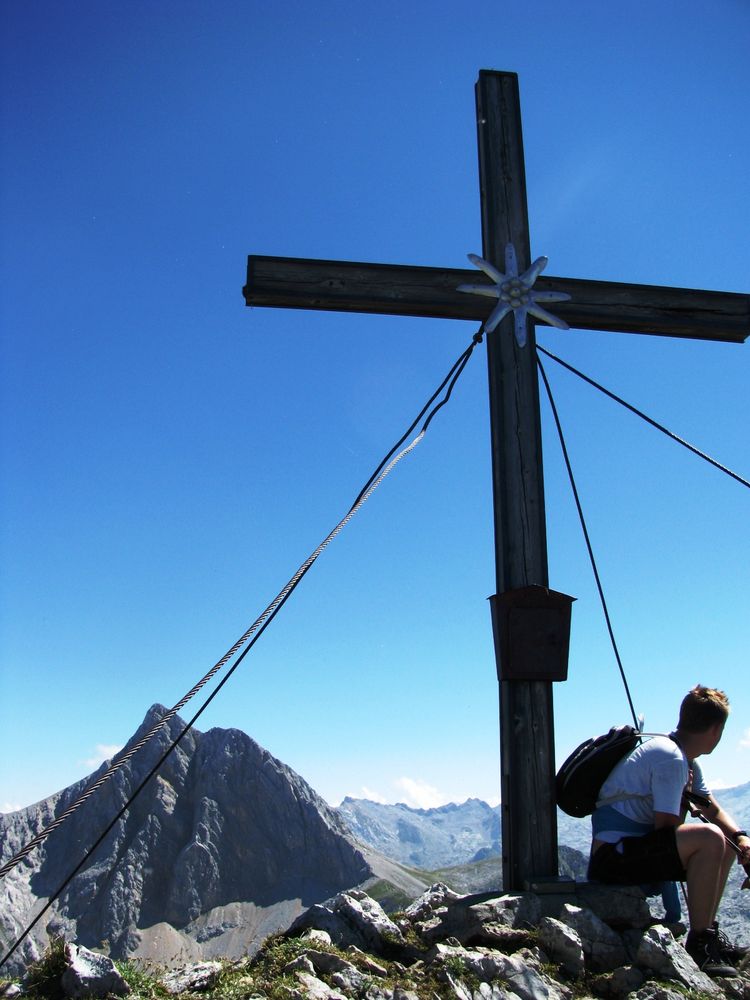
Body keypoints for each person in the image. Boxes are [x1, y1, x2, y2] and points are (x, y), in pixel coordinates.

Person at [588, 685, 750, 978]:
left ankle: (707, 935)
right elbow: (666, 831)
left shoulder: (680, 756)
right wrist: (683, 798)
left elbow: (711, 807)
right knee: (711, 838)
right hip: (613, 861)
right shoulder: (671, 759)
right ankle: (699, 945)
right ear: (716, 729)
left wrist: (740, 838)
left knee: (724, 841)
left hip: (624, 853)